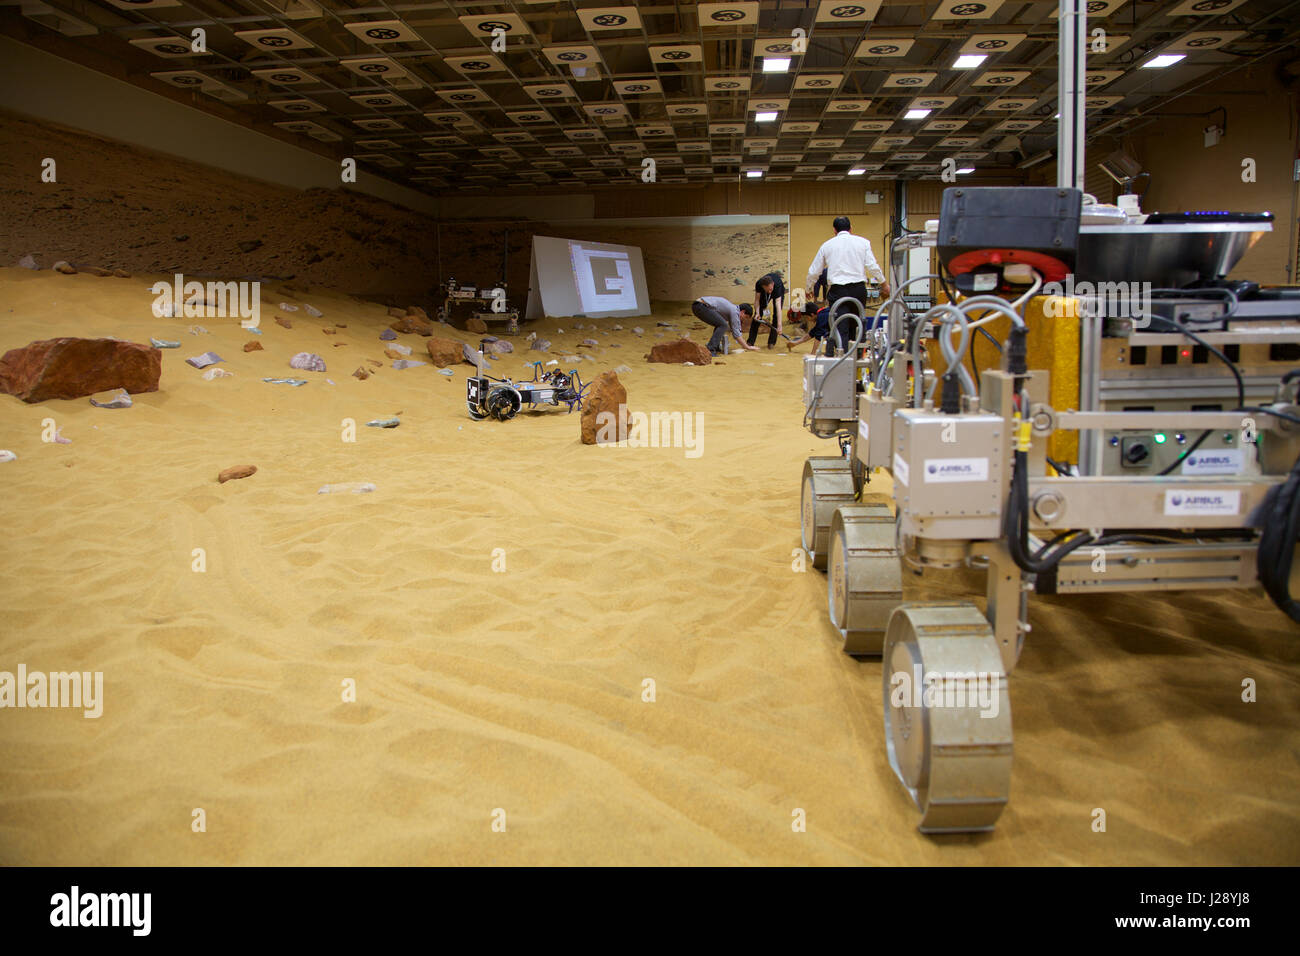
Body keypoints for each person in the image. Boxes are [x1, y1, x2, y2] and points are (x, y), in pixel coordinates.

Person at [805, 216, 890, 354]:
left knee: (840, 326)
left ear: (834, 230)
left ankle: (842, 359)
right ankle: (857, 358)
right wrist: (884, 284)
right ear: (851, 228)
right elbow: (873, 266)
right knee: (858, 324)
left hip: (838, 291)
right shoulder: (863, 243)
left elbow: (814, 271)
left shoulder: (827, 245)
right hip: (858, 290)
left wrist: (809, 288)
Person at [691, 296, 759, 356]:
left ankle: (715, 347)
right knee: (723, 325)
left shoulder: (732, 308)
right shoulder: (734, 311)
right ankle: (711, 349)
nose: (744, 319)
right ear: (743, 312)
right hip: (701, 306)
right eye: (746, 317)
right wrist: (748, 347)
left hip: (698, 305)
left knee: (720, 324)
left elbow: (733, 328)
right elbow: (737, 334)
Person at [747, 272, 787, 348]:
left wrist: (779, 325)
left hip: (779, 292)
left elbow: (778, 306)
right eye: (767, 290)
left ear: (772, 284)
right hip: (765, 292)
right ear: (763, 287)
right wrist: (758, 312)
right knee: (757, 317)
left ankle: (771, 342)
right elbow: (757, 300)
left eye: (770, 289)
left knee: (776, 316)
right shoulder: (759, 284)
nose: (769, 292)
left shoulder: (777, 286)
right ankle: (750, 342)